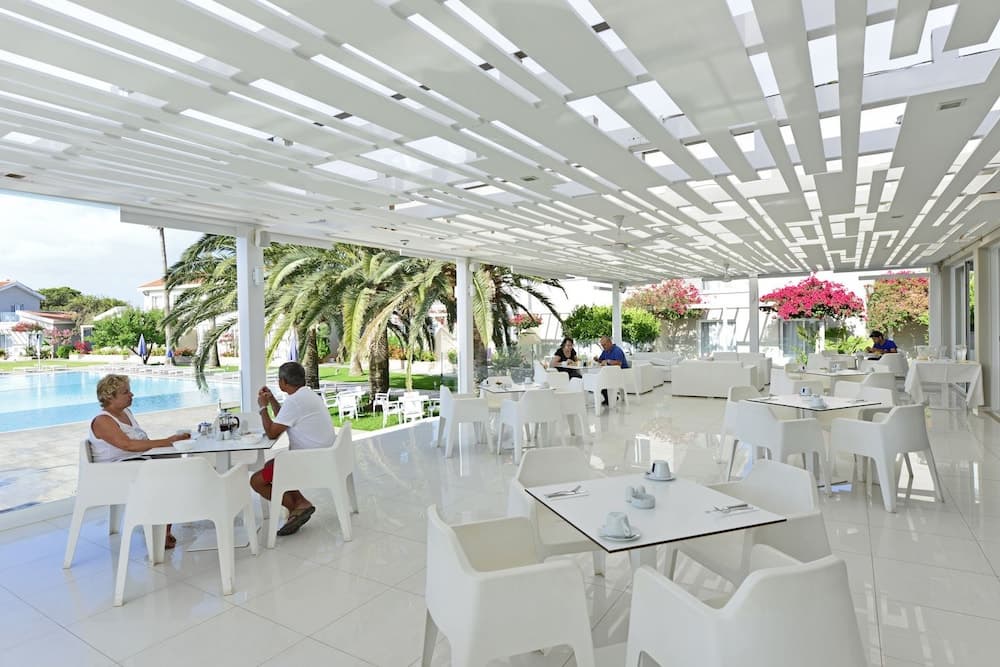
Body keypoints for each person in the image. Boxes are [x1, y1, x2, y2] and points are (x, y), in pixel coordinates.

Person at [89, 374, 192, 548]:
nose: (132, 395)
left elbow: (142, 443)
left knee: (177, 462)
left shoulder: (126, 413)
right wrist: (167, 441)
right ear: (110, 397)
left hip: (134, 464)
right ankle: (160, 530)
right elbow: (127, 445)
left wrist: (172, 443)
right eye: (125, 392)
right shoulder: (102, 421)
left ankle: (165, 524)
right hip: (115, 473)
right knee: (167, 473)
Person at [251, 361, 337, 537]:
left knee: (256, 480)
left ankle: (297, 507)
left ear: (283, 381)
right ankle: (299, 503)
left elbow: (272, 433)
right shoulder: (306, 395)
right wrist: (272, 400)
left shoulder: (295, 401)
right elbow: (284, 417)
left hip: (308, 462)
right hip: (323, 457)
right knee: (270, 465)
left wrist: (262, 408)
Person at [593, 335, 630, 406]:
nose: (603, 347)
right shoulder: (605, 351)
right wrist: (597, 359)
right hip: (612, 374)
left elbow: (619, 363)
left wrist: (608, 361)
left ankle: (610, 398)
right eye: (602, 345)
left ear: (610, 342)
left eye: (604, 345)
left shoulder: (617, 350)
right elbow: (601, 360)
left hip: (622, 373)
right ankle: (609, 398)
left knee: (602, 380)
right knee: (599, 380)